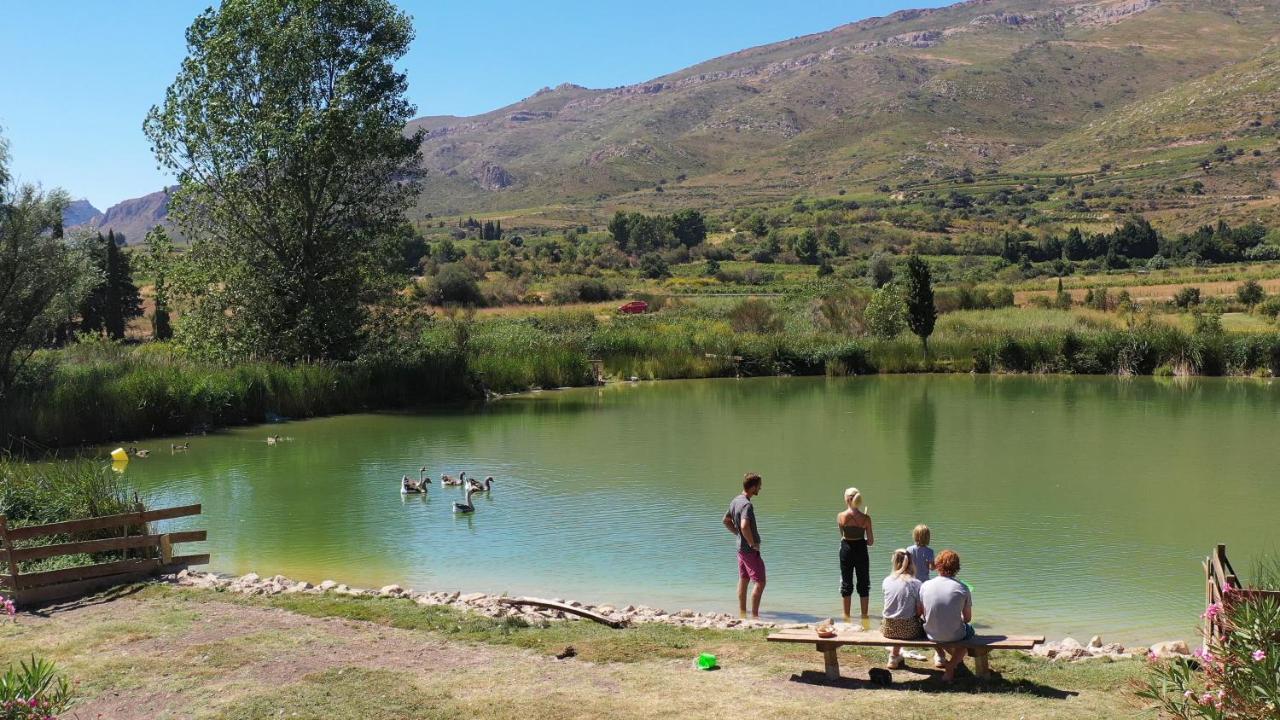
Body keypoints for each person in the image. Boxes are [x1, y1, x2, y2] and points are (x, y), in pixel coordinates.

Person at [921, 549, 974, 682]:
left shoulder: (925, 585)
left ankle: (940, 655)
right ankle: (950, 666)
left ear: (937, 565)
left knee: (935, 622)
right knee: (970, 633)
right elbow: (967, 619)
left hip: (930, 633)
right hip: (953, 634)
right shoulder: (962, 588)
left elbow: (924, 613)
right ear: (957, 568)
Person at [723, 473, 765, 618]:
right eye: (759, 485)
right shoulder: (747, 505)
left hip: (740, 549)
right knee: (760, 582)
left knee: (744, 579)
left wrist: (738, 534)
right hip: (749, 550)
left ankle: (742, 614)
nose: (761, 488)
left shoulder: (736, 500)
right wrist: (752, 543)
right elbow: (744, 525)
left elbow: (726, 520)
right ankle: (755, 616)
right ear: (753, 487)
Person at [881, 548, 925, 669]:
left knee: (898, 618)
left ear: (895, 562)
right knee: (929, 624)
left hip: (888, 629)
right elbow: (919, 612)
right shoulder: (916, 583)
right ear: (911, 563)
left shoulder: (886, 581)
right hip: (909, 632)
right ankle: (940, 656)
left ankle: (894, 656)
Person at [837, 487, 874, 624]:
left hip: (846, 549)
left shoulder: (840, 516)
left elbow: (843, 536)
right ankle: (865, 617)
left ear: (847, 499)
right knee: (863, 583)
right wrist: (862, 537)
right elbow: (870, 542)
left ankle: (846, 617)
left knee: (846, 583)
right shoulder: (866, 519)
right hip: (861, 550)